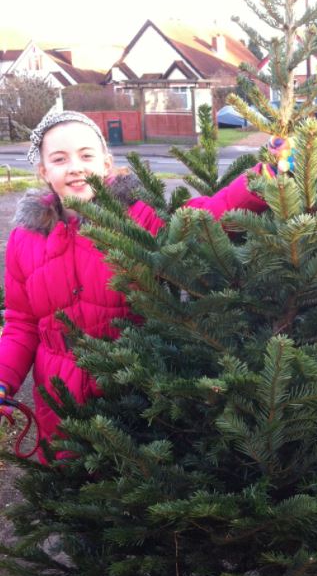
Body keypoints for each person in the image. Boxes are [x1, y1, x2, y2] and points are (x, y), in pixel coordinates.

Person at [0, 110, 275, 464]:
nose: (74, 167)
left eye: (86, 156)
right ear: (43, 171)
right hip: (59, 395)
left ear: (106, 163)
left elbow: (205, 219)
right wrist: (3, 378)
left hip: (135, 386)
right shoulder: (26, 239)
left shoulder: (140, 217)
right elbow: (22, 324)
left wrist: (262, 177)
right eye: (59, 159)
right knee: (74, 489)